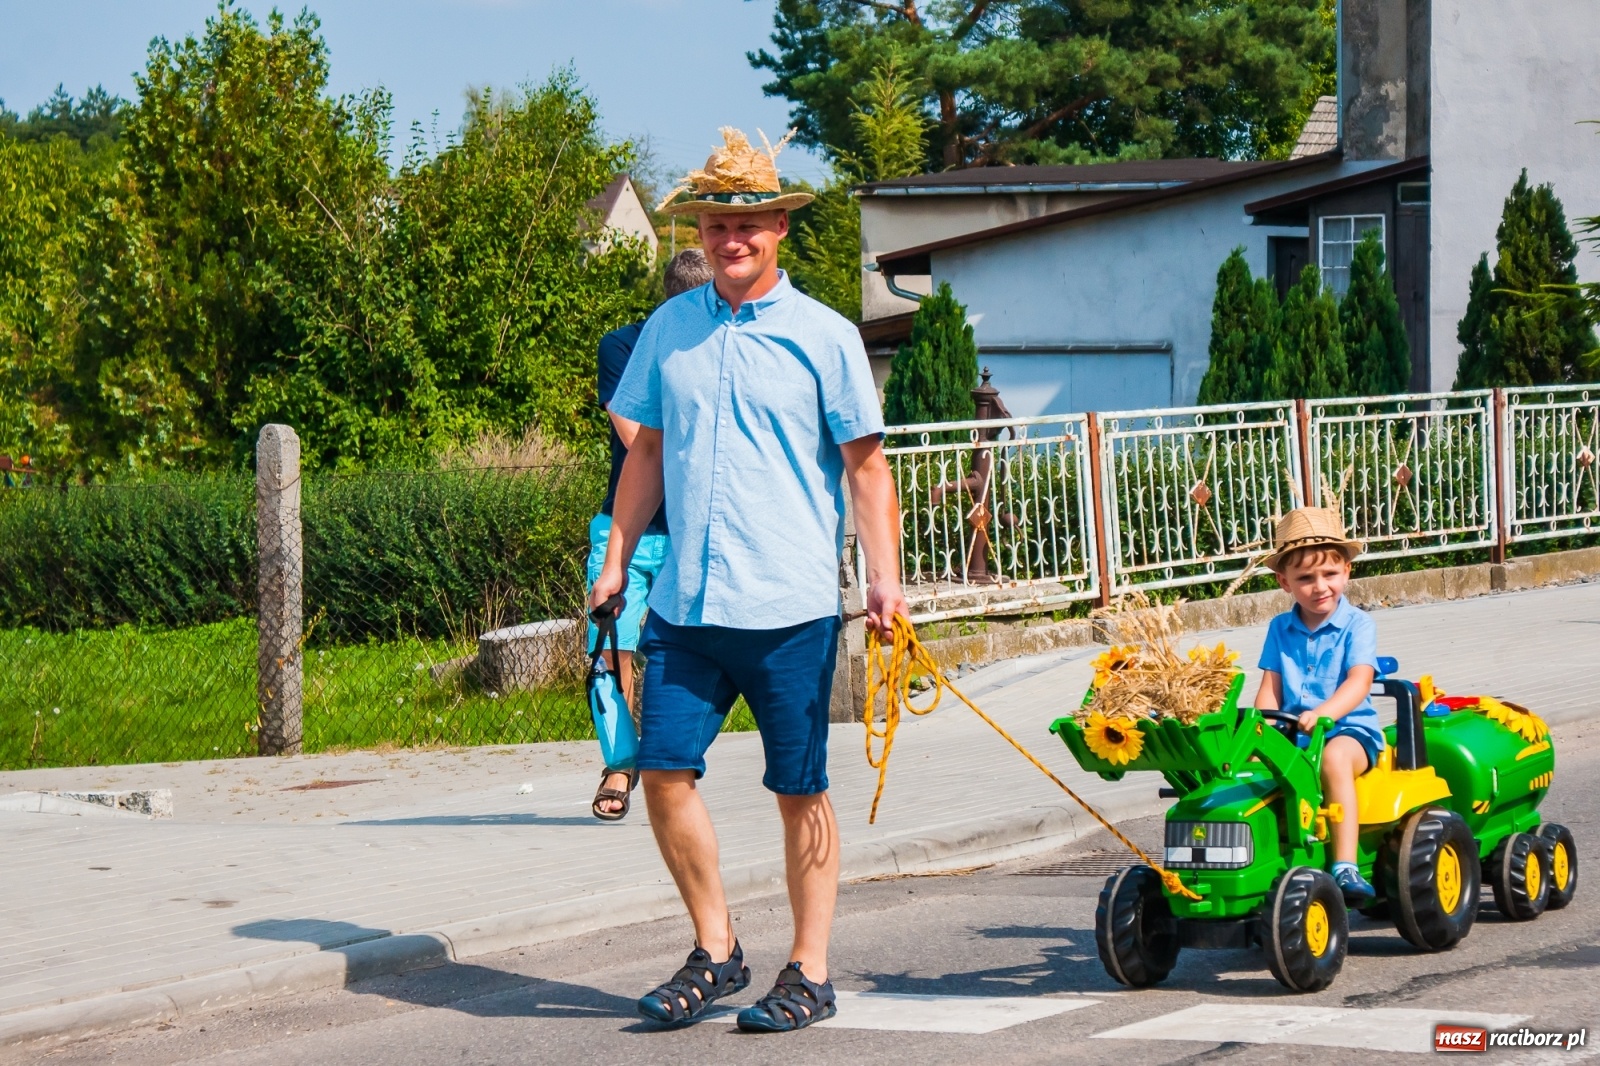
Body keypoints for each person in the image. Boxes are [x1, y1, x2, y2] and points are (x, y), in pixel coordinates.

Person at [590, 127, 908, 1033]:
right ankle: (718, 949)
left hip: (789, 606)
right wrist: (616, 561)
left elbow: (867, 470)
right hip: (685, 603)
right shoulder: (669, 330)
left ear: (778, 228)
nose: (732, 239)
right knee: (661, 773)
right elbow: (647, 452)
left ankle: (809, 969)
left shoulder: (826, 337)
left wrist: (884, 582)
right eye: (717, 225)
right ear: (700, 231)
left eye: (749, 223)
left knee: (798, 789)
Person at [588, 248, 716, 821]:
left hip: (693, 529)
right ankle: (620, 763)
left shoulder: (726, 346)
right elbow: (638, 438)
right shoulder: (625, 346)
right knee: (611, 648)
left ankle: (672, 764)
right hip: (628, 528)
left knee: (688, 652)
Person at [1252, 507, 1382, 906]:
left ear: (1347, 571)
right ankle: (1268, 857)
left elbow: (1359, 681)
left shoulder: (1358, 625)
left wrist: (1326, 712)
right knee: (1253, 768)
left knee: (1332, 759)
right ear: (1284, 582)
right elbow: (1270, 688)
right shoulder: (1279, 628)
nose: (1319, 586)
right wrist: (1259, 731)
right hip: (1293, 732)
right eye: (1306, 578)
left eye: (1329, 574)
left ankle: (1345, 865)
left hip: (1349, 731)